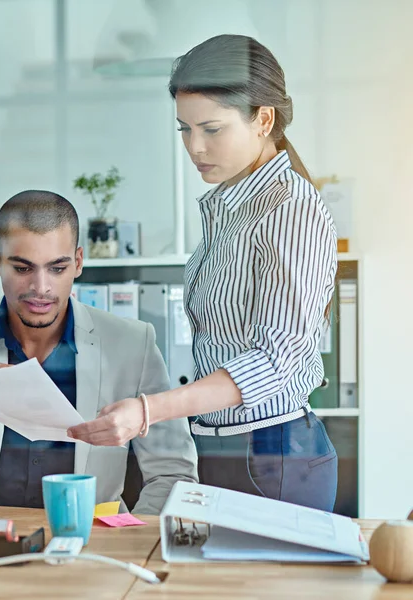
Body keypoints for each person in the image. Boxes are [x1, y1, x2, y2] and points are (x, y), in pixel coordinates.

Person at [68, 35, 338, 512]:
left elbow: (274, 361)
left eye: (211, 129)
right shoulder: (230, 208)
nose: (195, 146)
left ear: (263, 120)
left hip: (273, 456)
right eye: (184, 129)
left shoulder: (290, 208)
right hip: (222, 449)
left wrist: (152, 409)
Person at [0, 191, 197, 514]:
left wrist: (129, 544)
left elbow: (173, 473)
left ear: (78, 262)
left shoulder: (132, 343)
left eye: (57, 268)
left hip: (91, 545)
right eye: (23, 268)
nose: (41, 287)